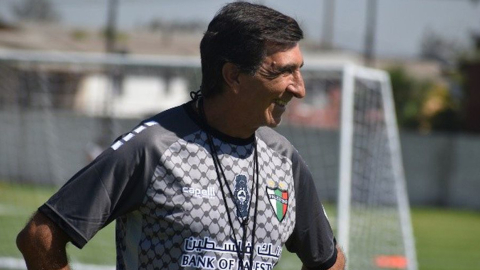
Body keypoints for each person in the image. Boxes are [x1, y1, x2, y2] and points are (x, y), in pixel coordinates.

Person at [16, 2, 346, 270]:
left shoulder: (285, 160)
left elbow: (328, 260)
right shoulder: (153, 148)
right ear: (233, 76)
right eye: (284, 71)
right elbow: (40, 236)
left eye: (299, 69)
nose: (299, 89)